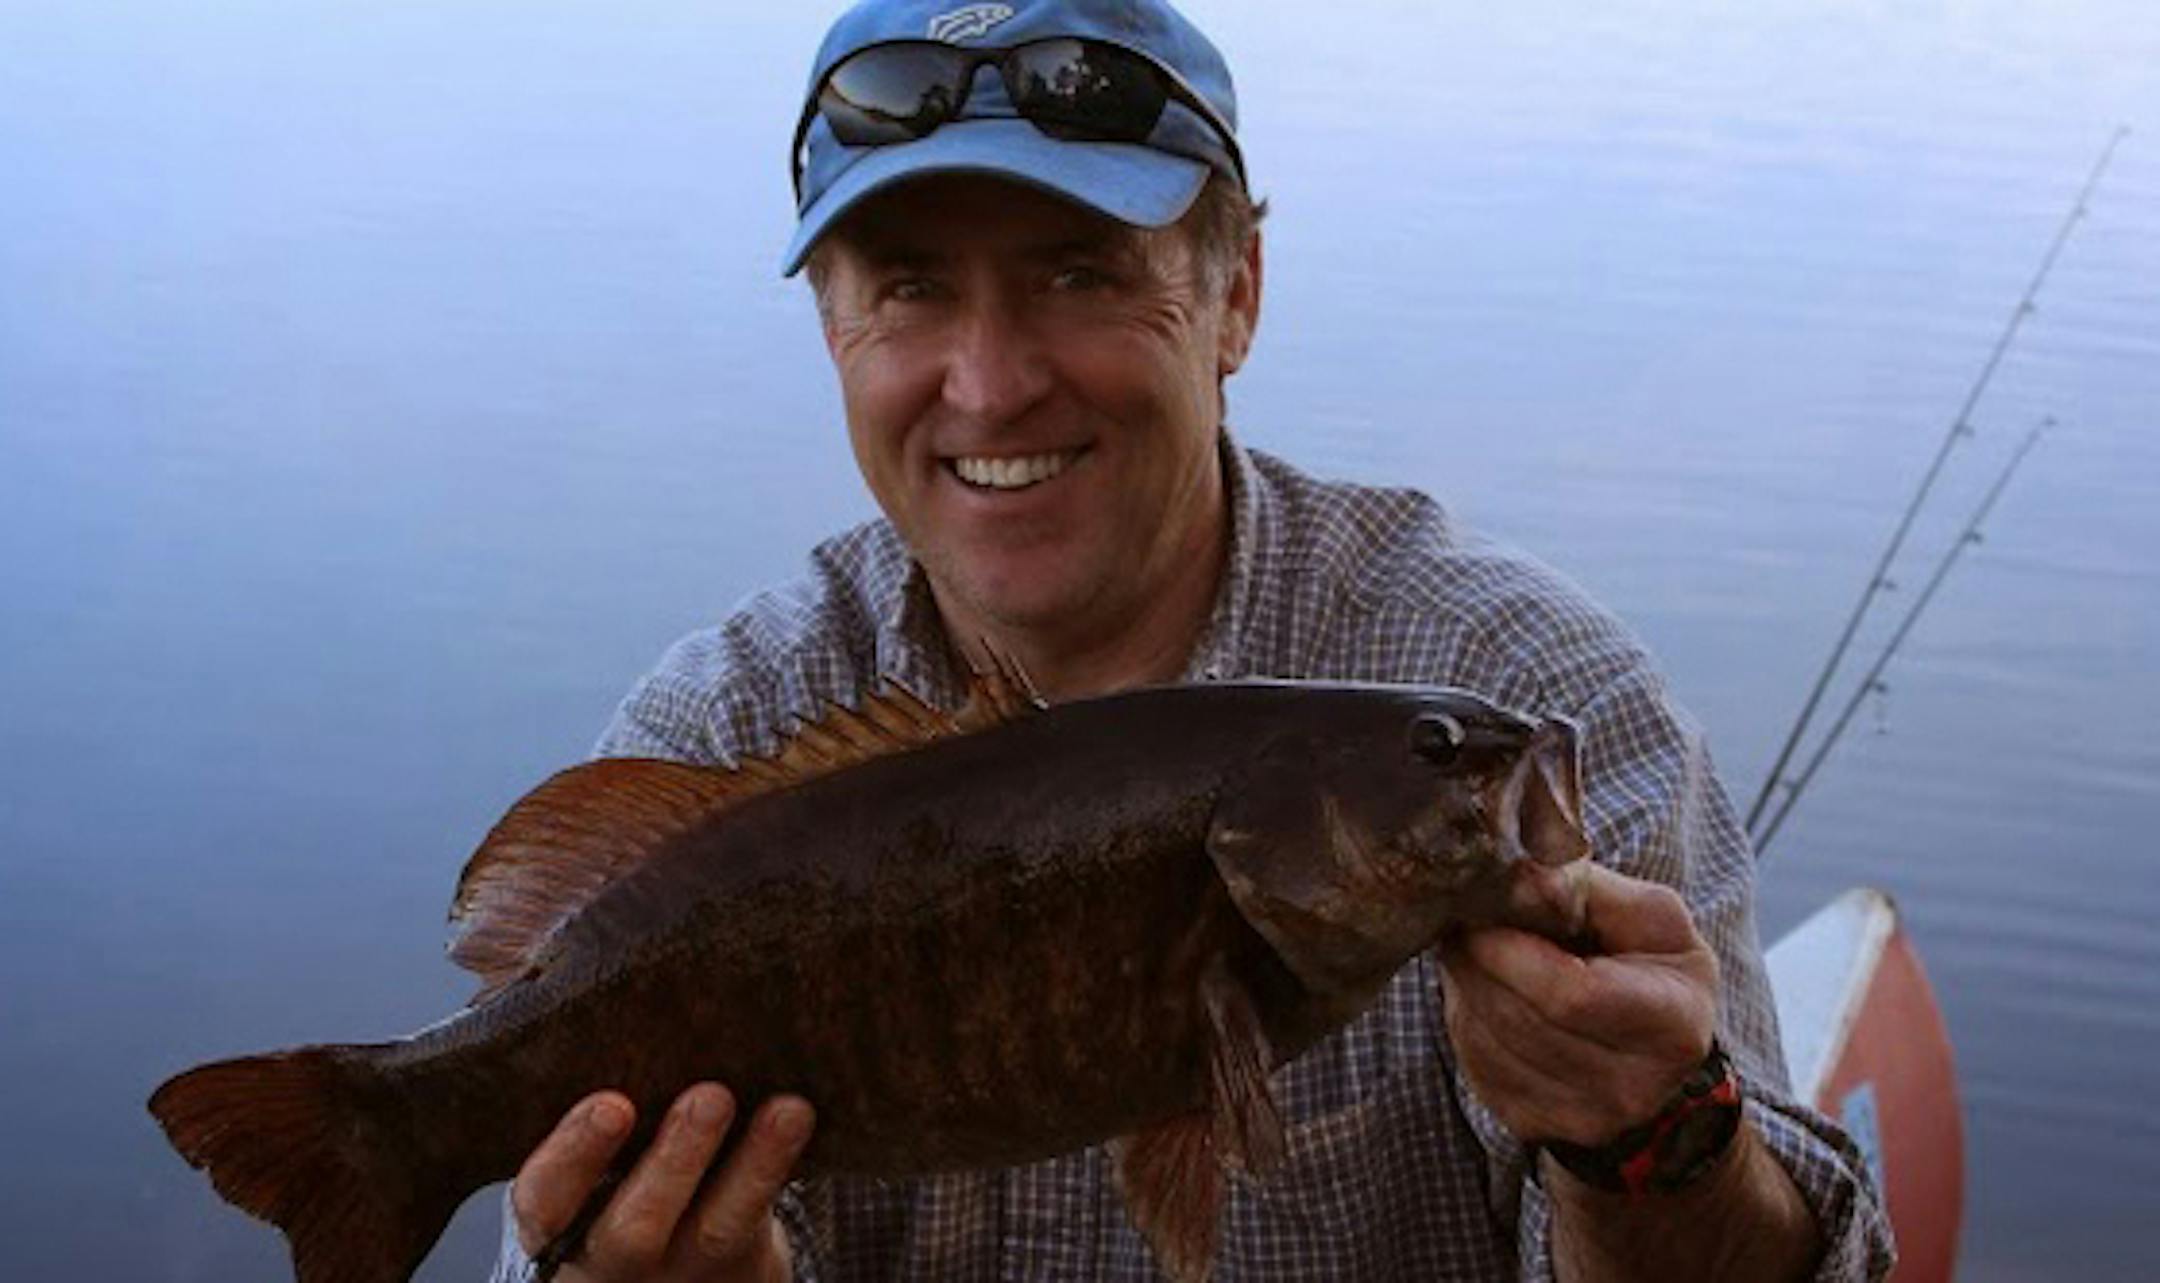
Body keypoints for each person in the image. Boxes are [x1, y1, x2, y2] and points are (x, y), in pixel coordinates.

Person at [489, 0, 1895, 1279]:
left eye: (1082, 275)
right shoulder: (727, 738)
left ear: (1237, 297)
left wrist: (1653, 1145)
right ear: (831, 326)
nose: (990, 385)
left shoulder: (1529, 692)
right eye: (910, 289)